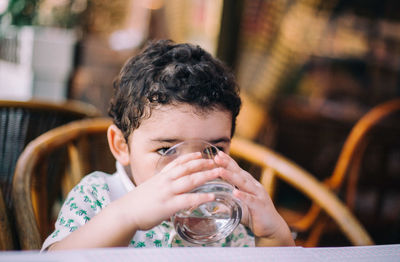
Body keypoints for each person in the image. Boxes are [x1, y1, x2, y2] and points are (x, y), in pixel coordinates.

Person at [42, 40, 294, 250]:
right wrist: (128, 215)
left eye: (213, 150)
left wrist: (274, 236)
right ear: (120, 145)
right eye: (165, 150)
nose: (192, 169)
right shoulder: (99, 195)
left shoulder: (218, 213)